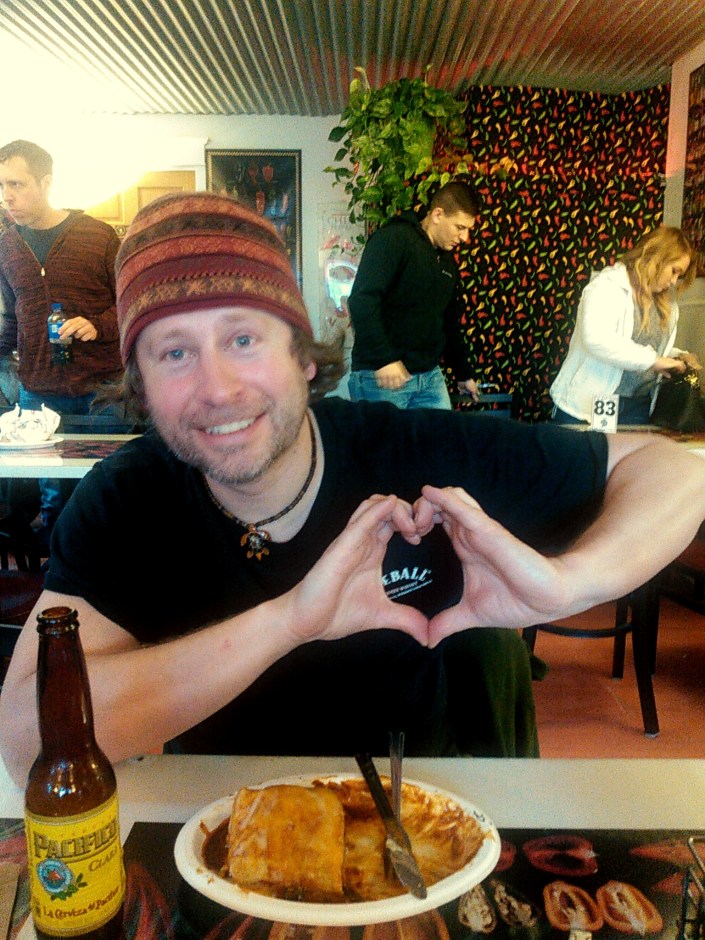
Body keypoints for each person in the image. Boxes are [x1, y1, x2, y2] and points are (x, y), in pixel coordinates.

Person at [2, 192, 705, 787]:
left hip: (419, 819)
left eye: (243, 339)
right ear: (142, 386)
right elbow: (25, 738)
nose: (217, 388)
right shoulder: (126, 500)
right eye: (174, 352)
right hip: (221, 827)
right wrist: (290, 621)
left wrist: (568, 584)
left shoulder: (415, 451)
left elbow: (676, 471)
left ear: (303, 358)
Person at [0, 140, 123, 537]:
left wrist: (98, 325)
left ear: (46, 182)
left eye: (16, 184)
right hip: (37, 394)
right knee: (55, 501)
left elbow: (133, 304)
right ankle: (61, 571)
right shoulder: (6, 246)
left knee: (109, 495)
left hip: (103, 392)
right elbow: (13, 319)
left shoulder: (99, 236)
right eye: (1, 186)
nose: (6, 196)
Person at [347, 180, 482, 409]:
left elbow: (449, 322)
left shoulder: (447, 262)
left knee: (443, 433)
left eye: (468, 229)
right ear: (438, 214)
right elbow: (362, 300)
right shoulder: (393, 239)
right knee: (385, 435)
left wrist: (463, 373)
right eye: (460, 227)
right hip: (382, 376)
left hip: (429, 378)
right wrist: (384, 359)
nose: (464, 238)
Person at [550, 226, 698, 425]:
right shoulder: (607, 286)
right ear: (657, 258)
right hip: (587, 406)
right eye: (674, 271)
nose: (674, 281)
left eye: (679, 276)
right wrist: (654, 360)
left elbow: (648, 347)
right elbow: (597, 339)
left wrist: (676, 357)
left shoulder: (666, 306)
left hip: (638, 407)